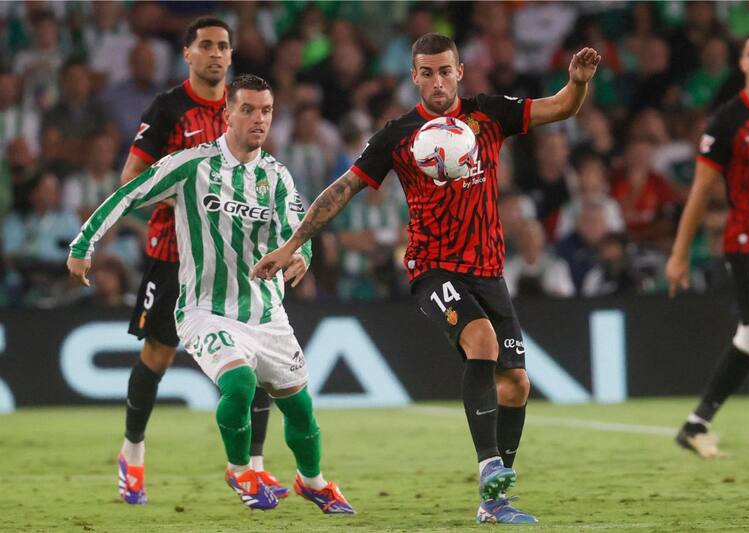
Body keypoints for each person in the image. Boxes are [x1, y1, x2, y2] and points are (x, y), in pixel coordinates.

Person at [251, 32, 600, 524]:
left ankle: (494, 500)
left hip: (488, 270)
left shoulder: (488, 114)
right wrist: (291, 245)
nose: (438, 81)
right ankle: (488, 465)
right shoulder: (398, 135)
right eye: (428, 73)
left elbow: (560, 107)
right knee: (481, 341)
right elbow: (344, 189)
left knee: (517, 385)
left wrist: (578, 83)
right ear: (414, 76)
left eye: (445, 71)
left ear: (460, 72)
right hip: (432, 267)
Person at [67, 74, 354, 514]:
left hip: (265, 312)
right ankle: (240, 470)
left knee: (300, 409)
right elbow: (128, 194)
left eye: (266, 111)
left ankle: (312, 481)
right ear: (228, 114)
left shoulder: (276, 176)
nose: (259, 119)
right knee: (239, 383)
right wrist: (84, 243)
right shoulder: (192, 165)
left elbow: (298, 230)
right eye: (248, 109)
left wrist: (302, 256)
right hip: (206, 309)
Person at [114, 17, 285, 505]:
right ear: (187, 53)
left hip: (236, 257)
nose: (215, 53)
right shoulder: (168, 109)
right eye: (206, 45)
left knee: (256, 354)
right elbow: (131, 180)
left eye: (223, 46)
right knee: (158, 353)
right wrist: (191, 200)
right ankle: (132, 453)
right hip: (174, 254)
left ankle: (254, 468)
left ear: (231, 54)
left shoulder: (244, 104)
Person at [667, 31, 749, 459]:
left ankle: (696, 423)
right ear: (742, 64)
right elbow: (701, 192)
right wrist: (680, 253)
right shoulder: (727, 121)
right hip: (747, 242)